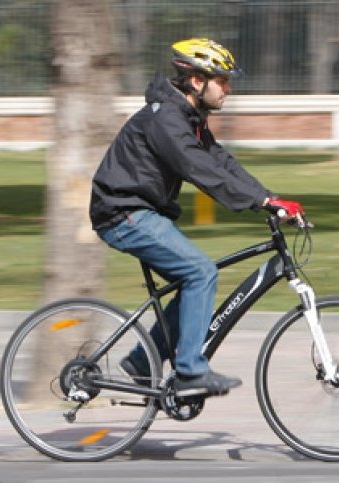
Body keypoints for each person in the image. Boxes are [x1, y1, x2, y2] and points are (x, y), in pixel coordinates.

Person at [89, 38, 304, 397]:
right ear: (196, 81)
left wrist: (271, 198)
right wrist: (259, 201)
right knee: (200, 271)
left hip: (142, 211)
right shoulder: (166, 119)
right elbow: (197, 167)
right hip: (123, 212)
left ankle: (144, 362)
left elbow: (221, 162)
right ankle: (189, 371)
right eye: (222, 80)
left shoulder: (188, 118)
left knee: (192, 281)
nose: (228, 89)